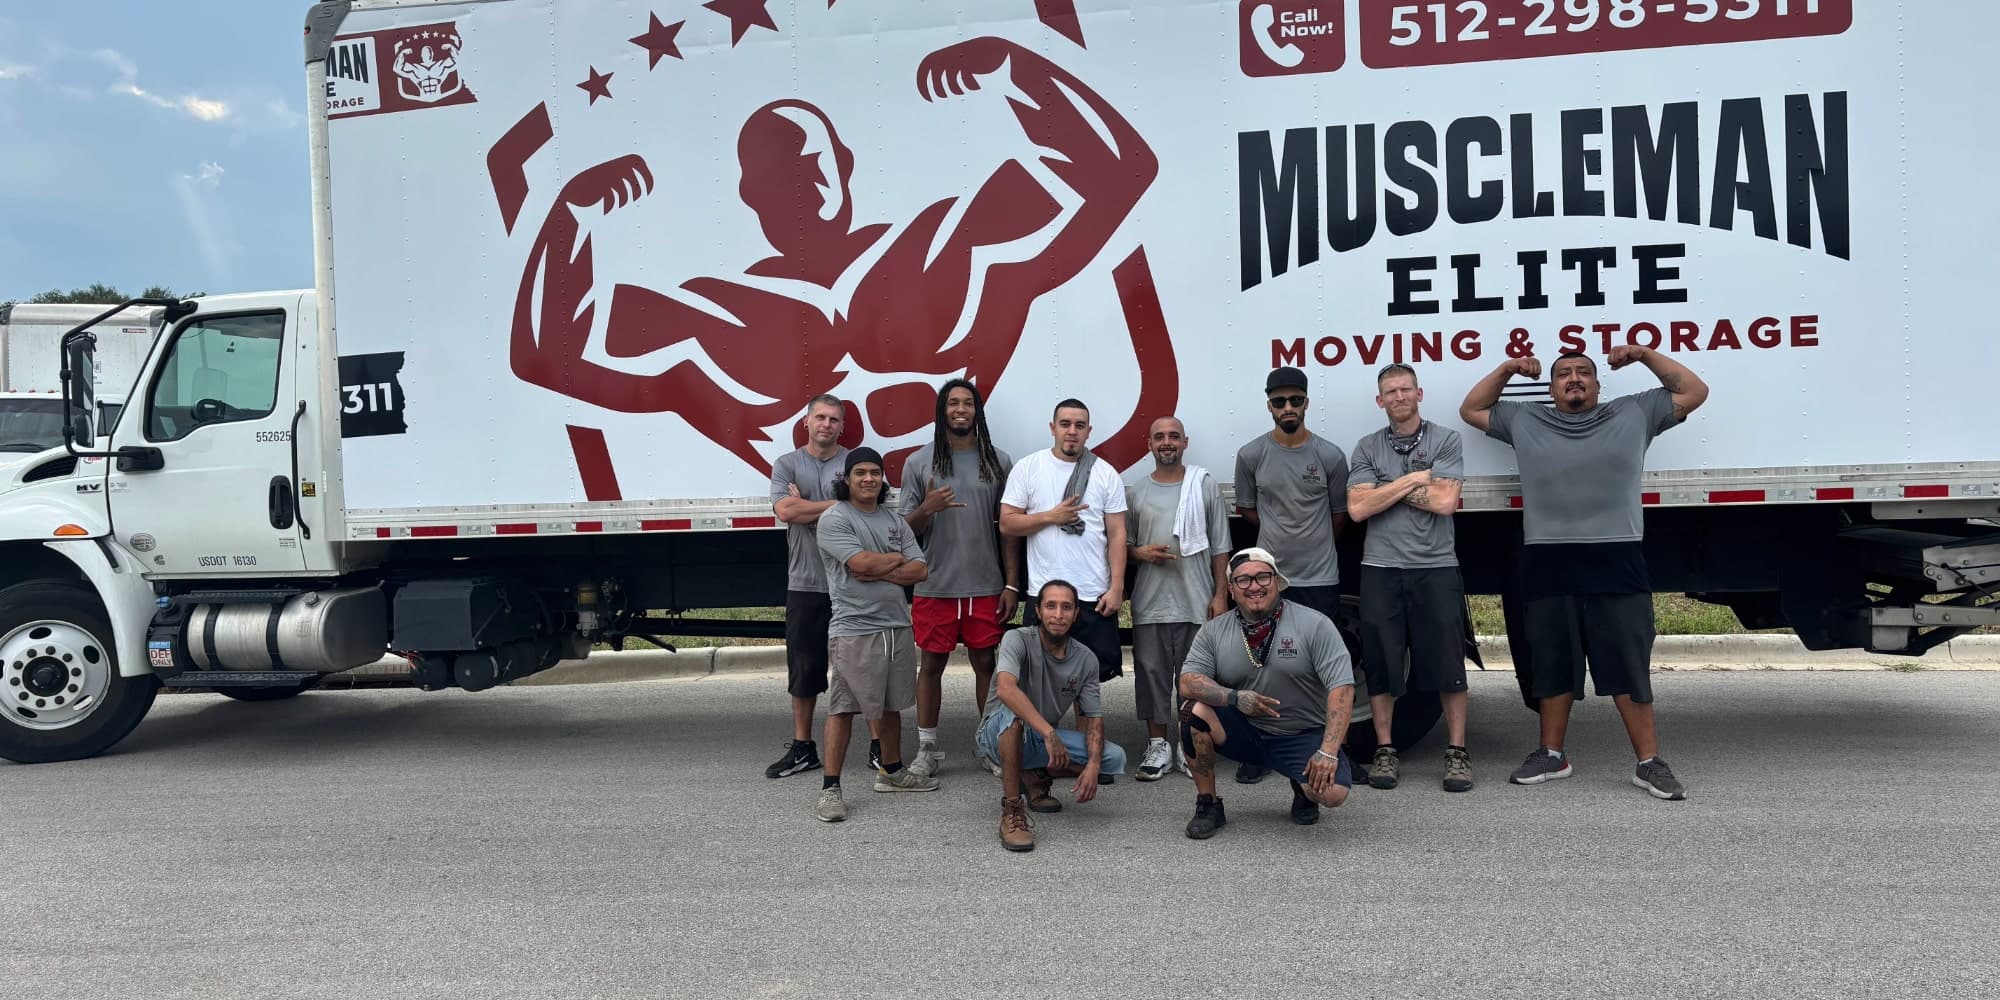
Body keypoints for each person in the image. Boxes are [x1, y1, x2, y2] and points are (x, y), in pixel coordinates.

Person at [1458, 347, 1709, 801]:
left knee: (1628, 665)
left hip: (1618, 558)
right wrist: (1510, 368)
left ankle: (1649, 763)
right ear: (1551, 388)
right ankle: (1552, 755)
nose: (1574, 379)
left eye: (1584, 373)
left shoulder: (1635, 411)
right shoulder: (1524, 419)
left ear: (1597, 384)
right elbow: (1472, 408)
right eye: (1564, 374)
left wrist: (1644, 354)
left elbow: (1694, 391)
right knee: (1552, 663)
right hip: (1549, 559)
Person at [1346, 363, 1474, 793]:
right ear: (1379, 401)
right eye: (1390, 392)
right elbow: (1358, 510)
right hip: (1381, 569)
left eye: (1406, 389)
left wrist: (1387, 488)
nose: (1399, 397)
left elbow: (1443, 501)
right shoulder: (1366, 446)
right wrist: (1414, 479)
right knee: (1381, 661)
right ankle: (1385, 749)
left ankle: (1457, 752)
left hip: (1435, 567)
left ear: (1420, 394)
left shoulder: (1446, 439)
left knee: (1447, 662)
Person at [1174, 548, 1356, 839]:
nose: (1254, 586)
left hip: (1301, 732)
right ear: (1231, 590)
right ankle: (1208, 804)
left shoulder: (1315, 624)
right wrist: (1235, 698)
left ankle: (1304, 790)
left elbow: (1342, 688)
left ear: (1277, 581)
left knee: (1332, 794)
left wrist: (1329, 751)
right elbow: (1188, 681)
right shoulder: (1213, 631)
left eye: (1262, 577)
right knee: (1191, 711)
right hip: (1246, 731)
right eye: (1243, 580)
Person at [1229, 366, 1351, 783]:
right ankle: (1256, 751)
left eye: (1295, 400)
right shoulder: (1251, 455)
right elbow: (1248, 511)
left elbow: (1338, 515)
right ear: (1269, 406)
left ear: (1306, 403)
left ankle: (1328, 748)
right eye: (1279, 401)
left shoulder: (1330, 456)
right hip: (1269, 583)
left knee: (1318, 668)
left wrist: (1310, 544)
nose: (1287, 408)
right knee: (1258, 663)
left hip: (1319, 578)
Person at [897, 379, 1022, 778]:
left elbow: (1009, 529)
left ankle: (988, 744)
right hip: (935, 583)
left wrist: (1011, 584)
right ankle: (929, 748)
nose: (960, 409)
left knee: (987, 663)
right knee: (931, 664)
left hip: (986, 584)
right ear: (942, 410)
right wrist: (928, 508)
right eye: (953, 403)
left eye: (968, 403)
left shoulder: (998, 462)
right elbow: (902, 531)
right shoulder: (920, 462)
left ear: (977, 411)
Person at [811, 448, 940, 822]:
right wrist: (889, 560)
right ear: (847, 479)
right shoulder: (835, 518)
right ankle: (830, 789)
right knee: (844, 708)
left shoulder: (894, 520)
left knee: (891, 704)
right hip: (855, 629)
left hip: (897, 625)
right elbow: (858, 563)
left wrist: (881, 568)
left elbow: (920, 570)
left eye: (875, 473)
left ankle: (892, 771)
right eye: (860, 473)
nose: (869, 479)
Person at [977, 580, 1129, 851]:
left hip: (1042, 739)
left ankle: (1033, 773)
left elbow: (1093, 718)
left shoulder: (1086, 660)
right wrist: (1049, 733)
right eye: (1051, 606)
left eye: (1066, 607)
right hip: (997, 732)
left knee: (1113, 758)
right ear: (1038, 611)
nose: (1058, 614)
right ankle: (1013, 810)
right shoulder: (1017, 639)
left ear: (1076, 615)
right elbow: (1005, 689)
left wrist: (1092, 765)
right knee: (1014, 718)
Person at [1124, 417, 1229, 780]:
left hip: (1196, 600)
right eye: (1159, 437)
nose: (1166, 442)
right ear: (1149, 444)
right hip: (1151, 602)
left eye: (1173, 436)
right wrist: (1141, 555)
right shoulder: (1136, 492)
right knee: (1151, 676)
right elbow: (1125, 548)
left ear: (1185, 442)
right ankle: (1156, 747)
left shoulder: (1204, 486)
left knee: (1193, 678)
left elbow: (1220, 546)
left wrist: (1220, 594)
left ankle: (1188, 743)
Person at [999, 398, 1128, 685]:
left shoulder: (1106, 474)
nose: (1072, 431)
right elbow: (1008, 523)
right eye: (1065, 424)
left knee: (1089, 685)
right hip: (1044, 596)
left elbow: (1117, 534)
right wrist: (1051, 517)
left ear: (1089, 431)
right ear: (1052, 428)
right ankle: (1044, 733)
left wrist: (1116, 587)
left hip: (1092, 595)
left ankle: (1089, 733)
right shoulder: (1028, 467)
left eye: (1079, 425)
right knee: (1038, 683)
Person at [764, 394, 853, 780]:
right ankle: (803, 748)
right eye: (820, 417)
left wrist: (809, 506)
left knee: (857, 670)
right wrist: (837, 504)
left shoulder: (853, 462)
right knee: (804, 669)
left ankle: (880, 748)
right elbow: (785, 511)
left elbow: (865, 505)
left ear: (842, 426)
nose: (826, 424)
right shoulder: (786, 464)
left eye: (834, 419)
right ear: (806, 421)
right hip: (805, 582)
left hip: (850, 583)